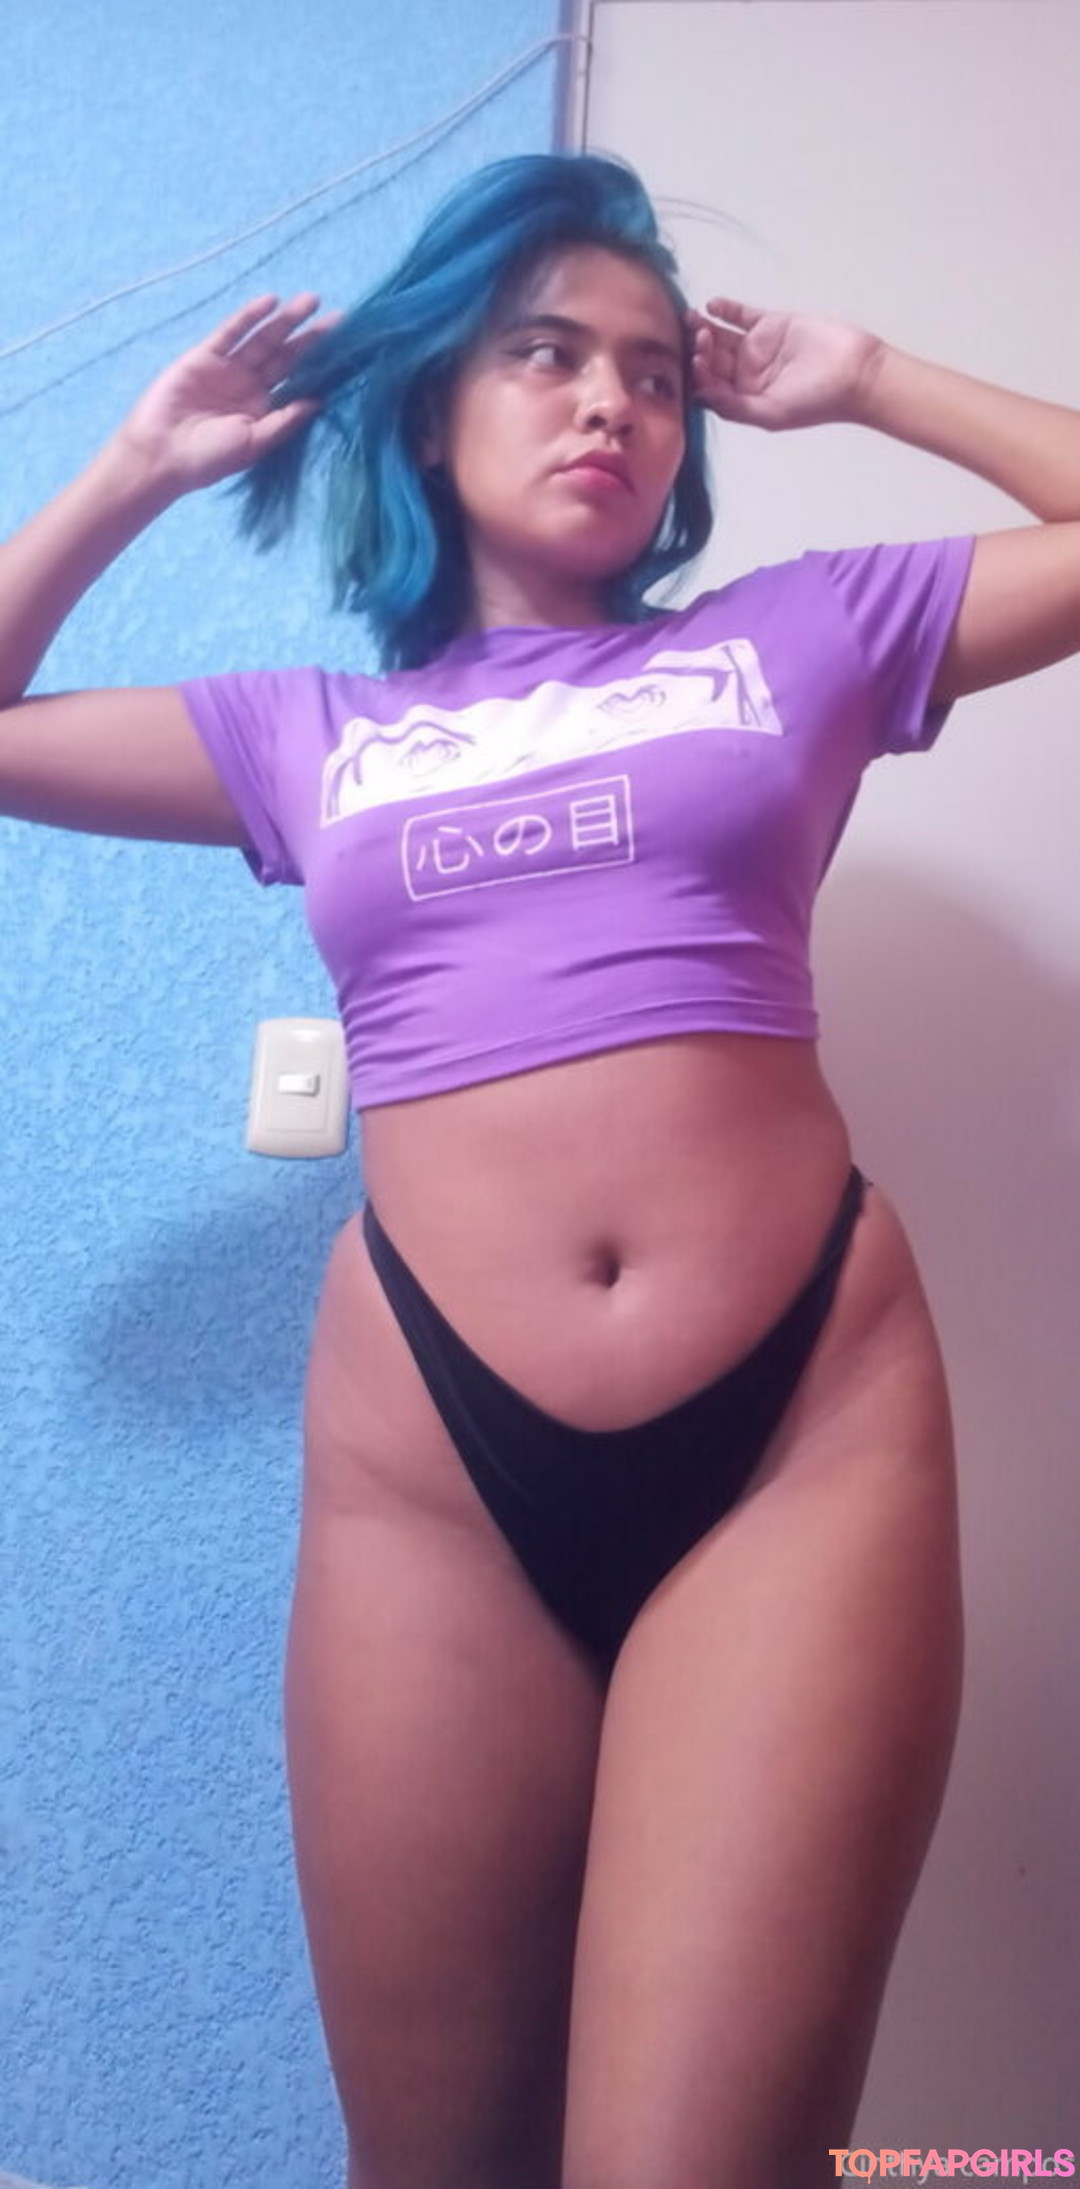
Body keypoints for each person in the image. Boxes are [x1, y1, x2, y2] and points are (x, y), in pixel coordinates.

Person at [2, 148, 1076, 2189]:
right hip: (435, 1468)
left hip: (796, 1438)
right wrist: (140, 464)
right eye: (549, 354)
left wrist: (869, 379)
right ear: (433, 406)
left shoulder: (805, 635)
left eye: (656, 376)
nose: (612, 405)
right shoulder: (304, 732)